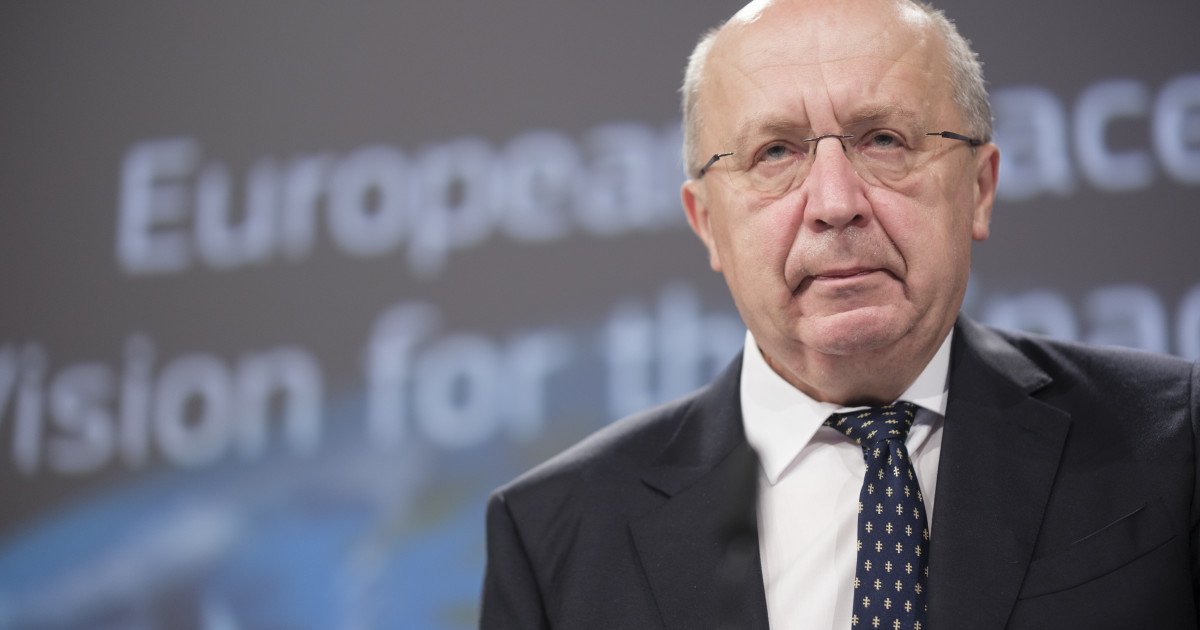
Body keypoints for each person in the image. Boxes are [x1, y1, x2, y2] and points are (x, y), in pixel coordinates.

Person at [480, 0, 1200, 627]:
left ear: (979, 189)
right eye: (774, 153)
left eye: (884, 140)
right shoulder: (552, 534)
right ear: (707, 225)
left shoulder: (1173, 439)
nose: (835, 203)